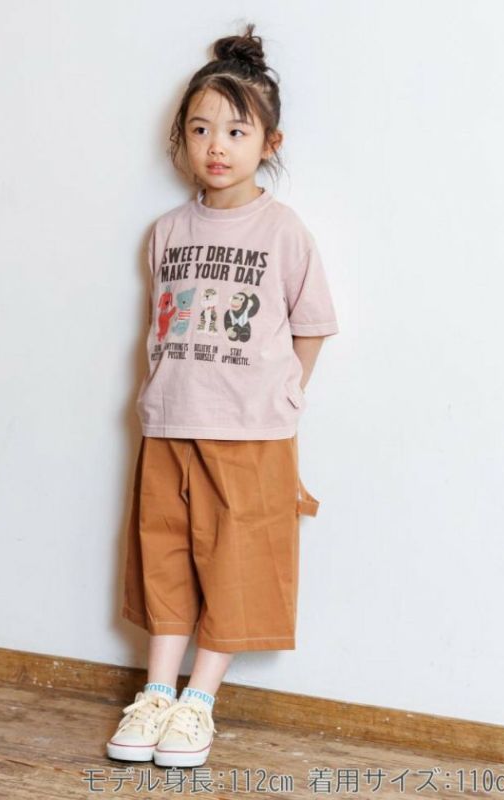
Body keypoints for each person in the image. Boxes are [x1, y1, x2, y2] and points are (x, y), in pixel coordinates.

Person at [107, 22, 340, 769]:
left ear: (269, 143)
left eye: (237, 131)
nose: (217, 146)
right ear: (180, 138)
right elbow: (159, 322)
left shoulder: (283, 231)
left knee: (237, 561)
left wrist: (288, 393)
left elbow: (312, 324)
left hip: (250, 429)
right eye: (201, 129)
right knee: (165, 555)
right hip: (170, 421)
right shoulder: (167, 230)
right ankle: (156, 692)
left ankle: (199, 700)